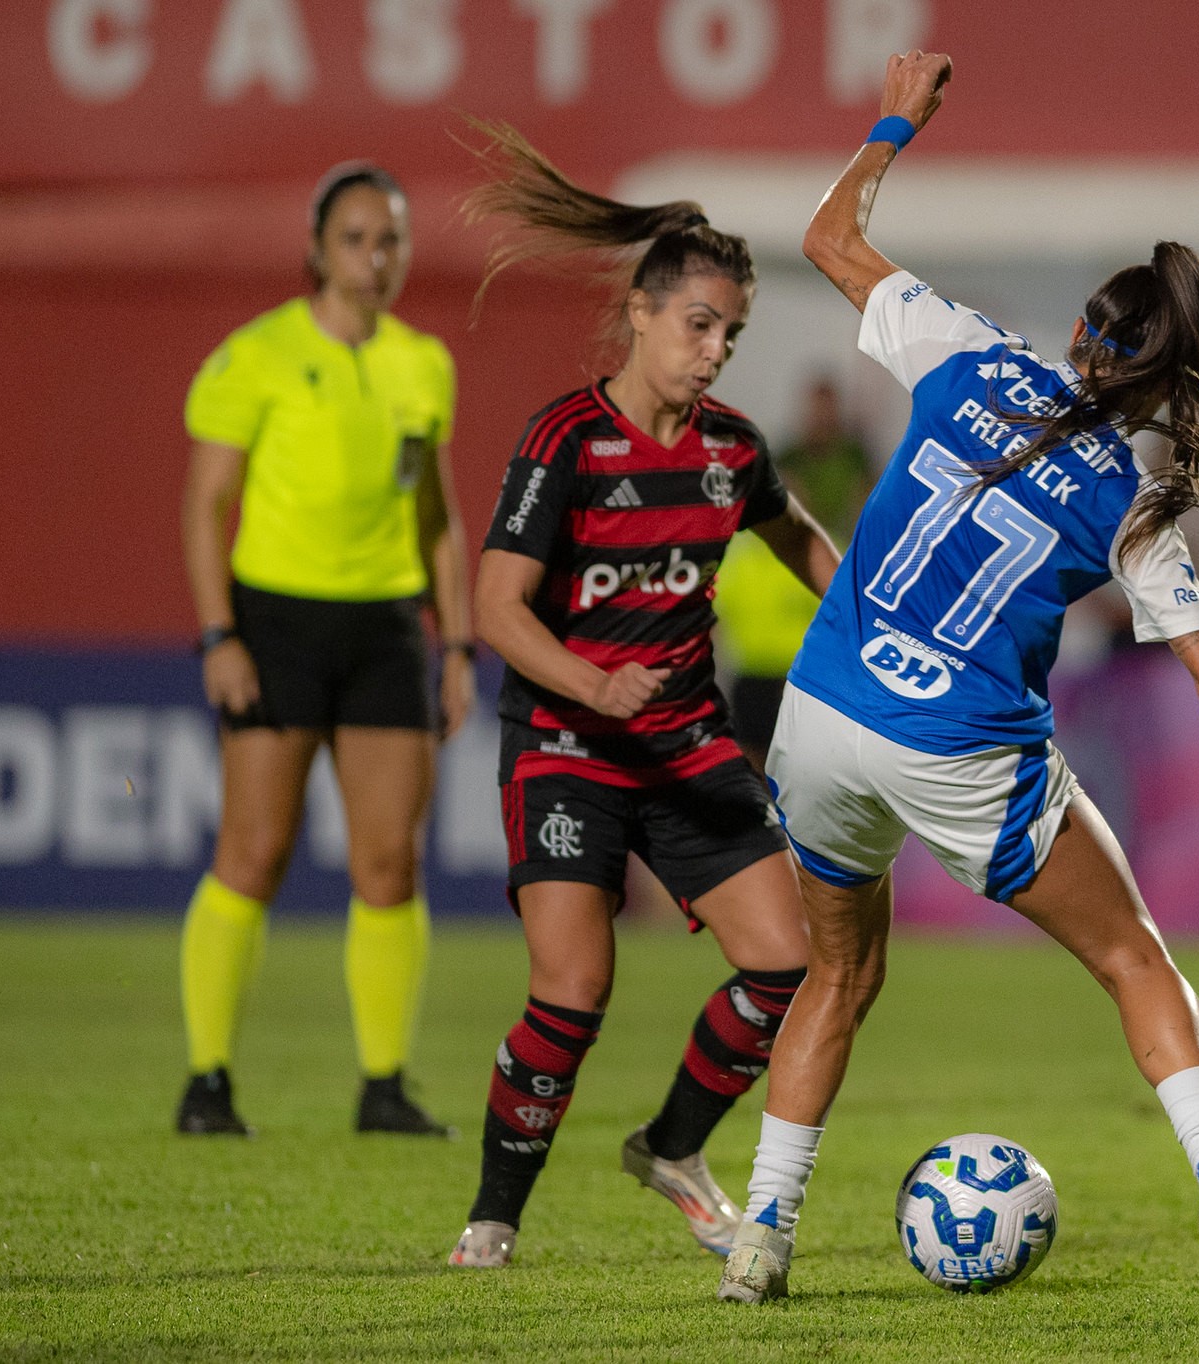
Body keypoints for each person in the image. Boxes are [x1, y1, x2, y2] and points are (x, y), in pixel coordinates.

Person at [716, 52, 1199, 1316]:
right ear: (1164, 376)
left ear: (1083, 327)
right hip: (959, 747)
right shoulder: (1134, 499)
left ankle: (762, 1233)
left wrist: (892, 124)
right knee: (1134, 958)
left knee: (836, 974)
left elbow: (825, 235)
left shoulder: (964, 355)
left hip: (818, 718)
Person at [444, 124, 842, 1268]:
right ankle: (495, 1213)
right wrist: (592, 684)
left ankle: (671, 1147)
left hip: (686, 742)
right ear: (640, 314)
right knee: (574, 986)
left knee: (786, 962)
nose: (714, 349)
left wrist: (874, 615)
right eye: (698, 324)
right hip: (567, 738)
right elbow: (497, 609)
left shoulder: (731, 450)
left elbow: (802, 541)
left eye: (731, 331)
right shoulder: (565, 438)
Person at [175, 162, 475, 1137]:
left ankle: (383, 1083)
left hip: (387, 625)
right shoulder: (255, 354)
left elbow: (435, 511)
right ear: (317, 249)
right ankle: (207, 1076)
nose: (374, 256)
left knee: (388, 861)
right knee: (253, 850)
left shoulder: (421, 362)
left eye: (389, 238)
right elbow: (204, 505)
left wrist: (458, 639)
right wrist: (220, 633)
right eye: (354, 238)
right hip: (277, 621)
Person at [715, 376, 875, 768]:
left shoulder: (854, 457)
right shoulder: (788, 457)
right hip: (756, 671)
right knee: (754, 758)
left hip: (807, 672)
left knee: (799, 765)